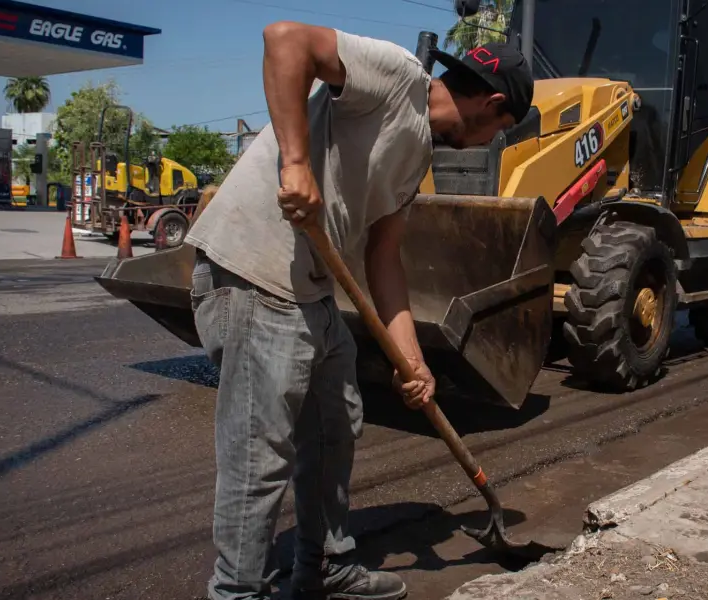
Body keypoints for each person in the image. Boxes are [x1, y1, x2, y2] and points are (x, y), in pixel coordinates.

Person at [183, 22, 533, 600]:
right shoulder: (397, 78)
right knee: (259, 453)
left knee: (337, 427)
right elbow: (285, 39)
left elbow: (384, 255)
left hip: (311, 292)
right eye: (502, 128)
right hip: (253, 274)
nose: (493, 140)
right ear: (494, 103)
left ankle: (324, 565)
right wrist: (295, 163)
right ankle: (237, 591)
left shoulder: (416, 151)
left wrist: (411, 363)